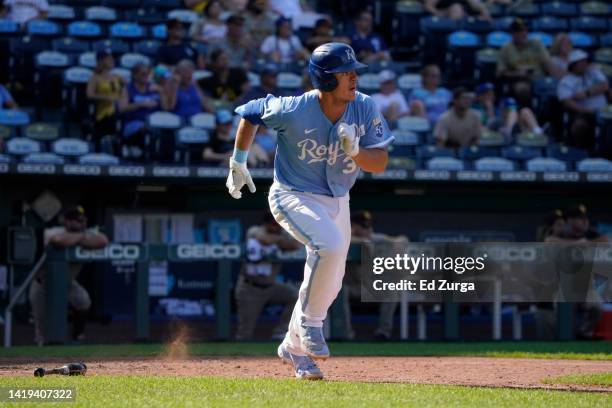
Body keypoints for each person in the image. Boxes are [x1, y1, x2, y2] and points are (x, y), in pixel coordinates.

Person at [227, 42, 394, 380]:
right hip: (292, 194)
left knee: (330, 282)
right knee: (329, 248)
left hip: (338, 200)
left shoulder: (364, 107)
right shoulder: (294, 108)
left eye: (353, 71)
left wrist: (356, 150)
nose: (353, 78)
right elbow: (249, 113)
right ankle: (310, 324)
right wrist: (238, 161)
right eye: (345, 72)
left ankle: (294, 350)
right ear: (325, 79)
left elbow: (380, 162)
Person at [28, 206, 108, 345]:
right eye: (76, 220)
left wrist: (79, 237)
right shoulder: (53, 231)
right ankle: (41, 354)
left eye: (82, 220)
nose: (80, 223)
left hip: (67, 282)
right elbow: (59, 241)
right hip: (43, 284)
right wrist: (83, 237)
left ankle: (78, 335)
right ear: (67, 222)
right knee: (42, 329)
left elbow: (103, 241)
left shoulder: (86, 232)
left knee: (83, 301)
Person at [342, 210, 409, 340]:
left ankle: (383, 332)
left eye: (369, 226)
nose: (369, 230)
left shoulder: (374, 238)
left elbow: (403, 239)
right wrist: (362, 242)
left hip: (369, 287)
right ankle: (346, 334)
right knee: (340, 292)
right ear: (354, 227)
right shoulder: (343, 237)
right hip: (351, 287)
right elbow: (344, 238)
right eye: (364, 227)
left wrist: (398, 244)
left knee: (391, 290)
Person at [235, 213, 300, 340]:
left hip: (271, 287)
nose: (276, 227)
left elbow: (295, 245)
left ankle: (281, 331)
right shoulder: (254, 230)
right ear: (266, 224)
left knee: (296, 296)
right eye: (273, 224)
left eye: (278, 225)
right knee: (245, 333)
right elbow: (264, 239)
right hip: (250, 288)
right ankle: (238, 357)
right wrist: (281, 240)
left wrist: (280, 239)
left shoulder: (281, 234)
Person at [557, 49, 609, 152]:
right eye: (582, 62)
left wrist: (586, 93)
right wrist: (587, 111)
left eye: (586, 61)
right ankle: (580, 151)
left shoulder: (593, 72)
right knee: (579, 125)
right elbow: (567, 102)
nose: (585, 64)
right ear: (573, 65)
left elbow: (605, 86)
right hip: (584, 113)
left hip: (605, 111)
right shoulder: (566, 81)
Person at [496, 18, 554, 106]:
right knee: (522, 89)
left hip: (539, 78)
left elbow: (547, 63)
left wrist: (554, 78)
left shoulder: (536, 44)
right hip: (520, 80)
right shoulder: (506, 48)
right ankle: (526, 112)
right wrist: (517, 74)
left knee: (552, 86)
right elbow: (500, 72)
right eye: (518, 31)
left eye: (524, 30)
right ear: (512, 33)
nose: (522, 34)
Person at [118, 63, 162, 160]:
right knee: (146, 128)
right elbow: (122, 108)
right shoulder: (128, 88)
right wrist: (140, 104)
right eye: (143, 74)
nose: (146, 76)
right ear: (135, 75)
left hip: (155, 122)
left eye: (148, 74)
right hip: (133, 123)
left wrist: (161, 90)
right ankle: (139, 150)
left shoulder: (155, 88)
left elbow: (168, 107)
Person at [472, 82, 544, 139]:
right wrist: (489, 109)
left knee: (525, 111)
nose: (491, 96)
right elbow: (489, 124)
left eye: (492, 94)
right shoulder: (475, 108)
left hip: (507, 130)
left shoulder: (498, 106)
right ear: (479, 96)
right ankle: (510, 132)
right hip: (489, 132)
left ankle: (537, 132)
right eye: (487, 94)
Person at [86, 49, 123, 151]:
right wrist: (106, 97)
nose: (112, 60)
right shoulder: (95, 78)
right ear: (101, 61)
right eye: (109, 58)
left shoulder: (117, 77)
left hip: (117, 110)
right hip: (103, 112)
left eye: (112, 58)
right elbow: (90, 94)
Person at [203, 109, 268, 166]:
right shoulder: (213, 137)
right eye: (225, 124)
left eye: (230, 123)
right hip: (226, 163)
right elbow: (207, 155)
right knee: (245, 154)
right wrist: (225, 156)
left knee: (255, 146)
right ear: (218, 125)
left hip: (239, 160)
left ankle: (263, 166)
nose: (228, 126)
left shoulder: (233, 137)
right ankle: (255, 166)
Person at [424, 0, 491, 21]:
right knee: (456, 8)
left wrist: (484, 11)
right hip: (444, 19)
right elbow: (428, 6)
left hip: (465, 18)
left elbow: (477, 5)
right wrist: (440, 13)